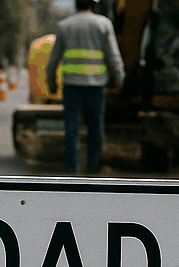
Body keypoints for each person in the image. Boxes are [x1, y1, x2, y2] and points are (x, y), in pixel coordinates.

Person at [46, 0, 125, 174]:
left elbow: (53, 60)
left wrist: (51, 84)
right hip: (96, 87)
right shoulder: (103, 24)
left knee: (71, 130)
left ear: (76, 4)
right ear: (94, 4)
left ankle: (72, 169)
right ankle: (93, 168)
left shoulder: (64, 26)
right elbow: (113, 56)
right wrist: (119, 80)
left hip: (72, 87)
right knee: (96, 130)